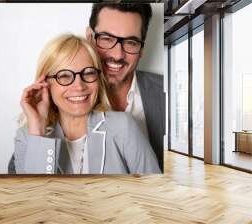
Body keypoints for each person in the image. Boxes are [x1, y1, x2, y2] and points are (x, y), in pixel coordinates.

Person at [10, 34, 160, 174]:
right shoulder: (27, 138)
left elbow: (156, 193)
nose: (79, 86)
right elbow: (33, 198)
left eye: (88, 73)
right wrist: (38, 128)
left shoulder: (124, 126)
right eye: (64, 76)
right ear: (45, 84)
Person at [85, 3, 165, 171]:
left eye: (131, 42)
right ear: (89, 38)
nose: (117, 55)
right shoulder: (65, 96)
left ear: (142, 48)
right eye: (106, 39)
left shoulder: (167, 93)